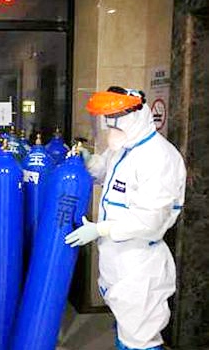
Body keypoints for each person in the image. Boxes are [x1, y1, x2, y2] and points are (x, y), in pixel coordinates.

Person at [65, 86, 186, 350]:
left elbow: (149, 220)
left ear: (136, 118)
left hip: (140, 263)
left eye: (116, 125)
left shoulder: (158, 158)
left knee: (140, 338)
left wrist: (100, 229)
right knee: (126, 327)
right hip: (117, 259)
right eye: (107, 125)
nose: (111, 131)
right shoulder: (124, 147)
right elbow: (105, 171)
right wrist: (89, 162)